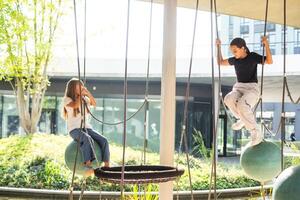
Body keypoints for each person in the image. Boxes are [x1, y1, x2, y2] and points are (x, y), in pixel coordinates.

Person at [216, 37, 273, 146]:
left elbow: (269, 61)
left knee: (242, 105)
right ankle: (242, 119)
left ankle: (256, 132)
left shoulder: (252, 57)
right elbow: (220, 62)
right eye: (232, 52)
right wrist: (218, 47)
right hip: (239, 88)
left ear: (243, 48)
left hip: (252, 89)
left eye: (235, 51)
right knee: (228, 99)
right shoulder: (235, 60)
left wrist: (266, 44)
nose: (234, 53)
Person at [62, 78, 110, 176]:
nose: (81, 88)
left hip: (87, 128)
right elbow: (75, 105)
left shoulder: (84, 99)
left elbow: (94, 103)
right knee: (87, 138)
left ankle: (106, 165)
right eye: (78, 86)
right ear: (72, 88)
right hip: (74, 129)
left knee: (104, 140)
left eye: (81, 86)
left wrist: (87, 93)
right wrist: (80, 95)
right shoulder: (67, 99)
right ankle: (87, 165)